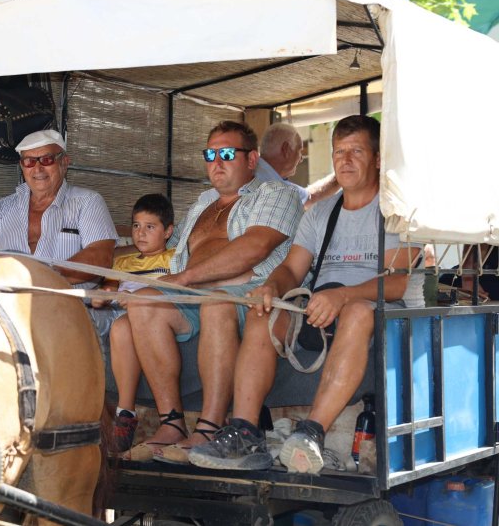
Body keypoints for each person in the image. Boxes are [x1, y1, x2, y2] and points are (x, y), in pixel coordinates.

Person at [188, 115, 423, 474]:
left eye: (356, 152)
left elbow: (398, 283)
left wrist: (343, 296)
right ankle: (245, 432)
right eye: (339, 152)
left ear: (377, 158)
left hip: (377, 315)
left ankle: (311, 432)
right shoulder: (321, 213)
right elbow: (291, 270)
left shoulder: (397, 213)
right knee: (263, 313)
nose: (345, 160)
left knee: (358, 311)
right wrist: (271, 287)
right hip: (320, 308)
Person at [118, 121, 303, 463]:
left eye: (227, 154)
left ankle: (209, 428)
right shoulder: (203, 201)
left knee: (217, 304)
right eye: (210, 154)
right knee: (142, 301)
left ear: (251, 160)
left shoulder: (277, 193)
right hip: (193, 293)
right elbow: (160, 245)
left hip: (249, 293)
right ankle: (172, 423)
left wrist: (186, 278)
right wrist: (110, 265)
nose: (217, 162)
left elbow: (255, 247)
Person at [0, 129, 118, 286]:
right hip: (5, 302)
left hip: (67, 302)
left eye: (47, 160)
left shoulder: (88, 202)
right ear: (22, 166)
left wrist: (43, 278)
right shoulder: (0, 210)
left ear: (64, 162)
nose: (38, 169)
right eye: (29, 161)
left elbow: (100, 256)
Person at [87, 194, 175, 453]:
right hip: (120, 316)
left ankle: (125, 412)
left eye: (150, 227)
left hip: (156, 318)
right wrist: (101, 297)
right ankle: (122, 413)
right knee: (115, 325)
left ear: (168, 231)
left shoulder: (175, 260)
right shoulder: (122, 263)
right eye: (136, 226)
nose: (140, 233)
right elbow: (107, 291)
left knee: (123, 326)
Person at [256, 123, 338, 209]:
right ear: (286, 149)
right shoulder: (274, 186)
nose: (301, 159)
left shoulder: (255, 171)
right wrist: (341, 175)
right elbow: (310, 198)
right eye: (299, 151)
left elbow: (309, 197)